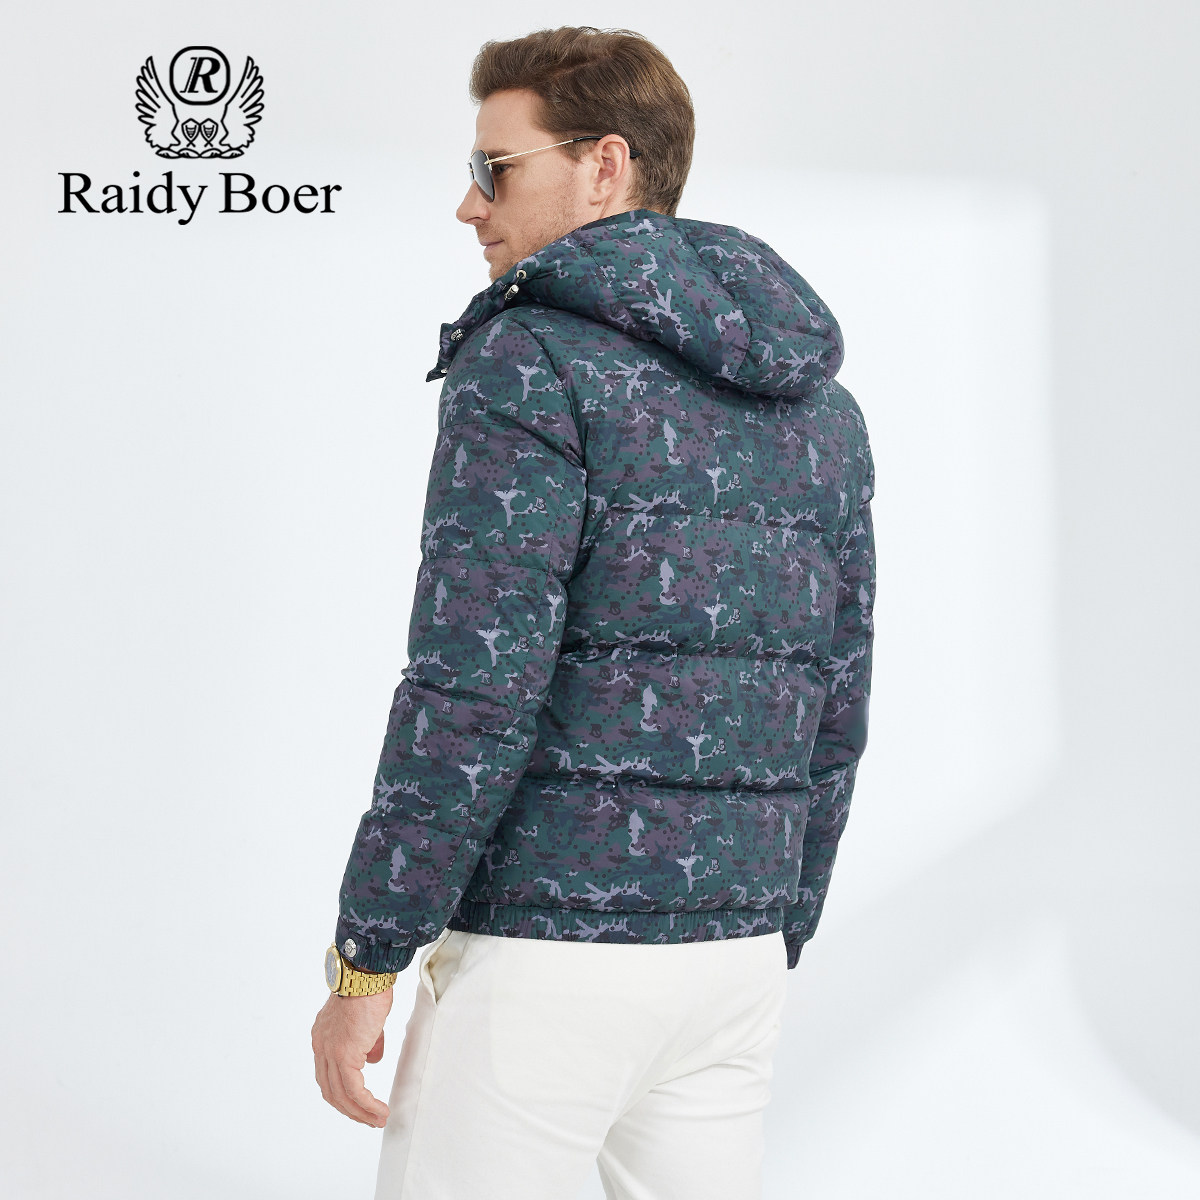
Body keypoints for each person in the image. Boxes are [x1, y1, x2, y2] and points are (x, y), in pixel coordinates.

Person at [311, 24, 876, 1200]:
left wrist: (369, 955)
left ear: (605, 165)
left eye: (494, 169)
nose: (468, 206)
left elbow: (473, 686)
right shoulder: (821, 409)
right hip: (732, 957)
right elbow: (839, 695)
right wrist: (778, 920)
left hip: (545, 956)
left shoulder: (528, 361)